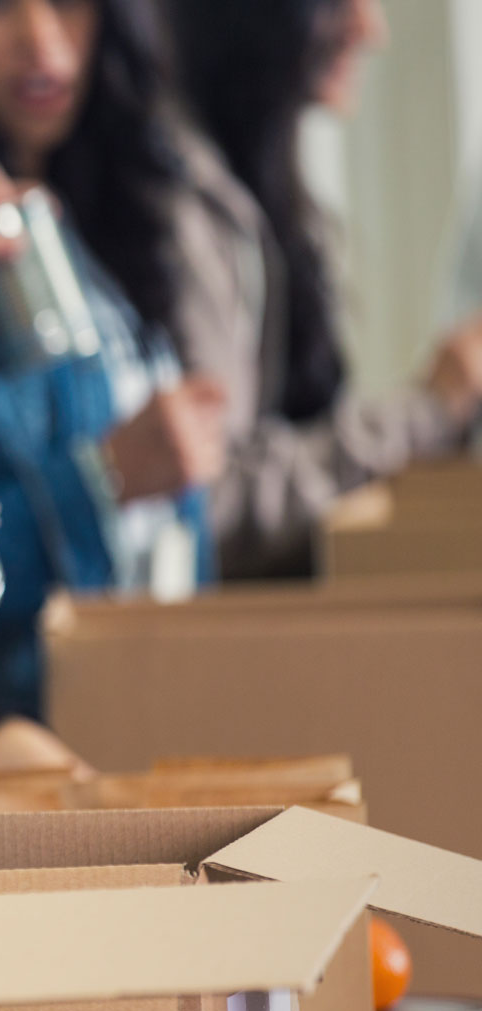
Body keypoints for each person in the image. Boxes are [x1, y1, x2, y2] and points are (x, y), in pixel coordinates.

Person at [0, 0, 226, 761]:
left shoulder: (102, 204)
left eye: (68, 3)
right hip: (3, 749)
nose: (41, 41)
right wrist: (101, 480)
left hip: (132, 712)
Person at [167, 0, 482, 578]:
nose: (373, 28)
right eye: (338, 3)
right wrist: (429, 412)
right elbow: (214, 502)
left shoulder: (263, 195)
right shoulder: (181, 212)